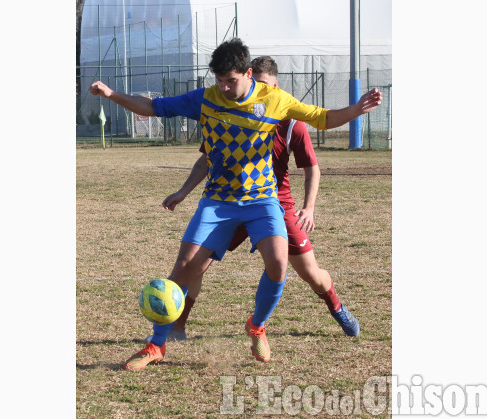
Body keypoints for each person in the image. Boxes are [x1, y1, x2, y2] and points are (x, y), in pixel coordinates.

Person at [89, 38, 382, 370]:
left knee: (278, 263)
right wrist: (113, 95)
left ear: (247, 73)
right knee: (184, 267)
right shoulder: (205, 99)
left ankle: (257, 325)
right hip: (218, 202)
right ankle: (156, 345)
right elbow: (154, 107)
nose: (225, 88)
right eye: (219, 80)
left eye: (231, 80)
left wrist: (355, 110)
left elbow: (322, 118)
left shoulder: (274, 100)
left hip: (262, 200)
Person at [150, 56, 360, 344]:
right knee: (195, 265)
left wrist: (309, 207)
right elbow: (207, 159)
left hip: (273, 204)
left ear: (276, 87)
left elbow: (312, 167)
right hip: (229, 199)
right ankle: (178, 326)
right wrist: (184, 191)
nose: (260, 94)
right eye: (256, 86)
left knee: (308, 272)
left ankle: (336, 307)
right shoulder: (232, 114)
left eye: (266, 87)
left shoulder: (291, 124)